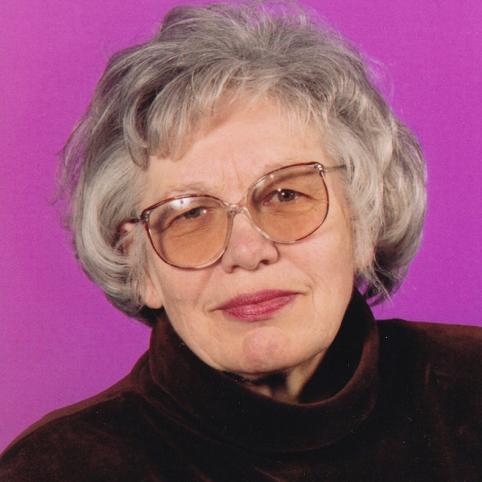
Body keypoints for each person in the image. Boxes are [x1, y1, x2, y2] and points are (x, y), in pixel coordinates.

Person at [1, 2, 480, 481]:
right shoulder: (57, 467)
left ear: (365, 219)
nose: (247, 252)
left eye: (286, 195)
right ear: (140, 265)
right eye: (191, 214)